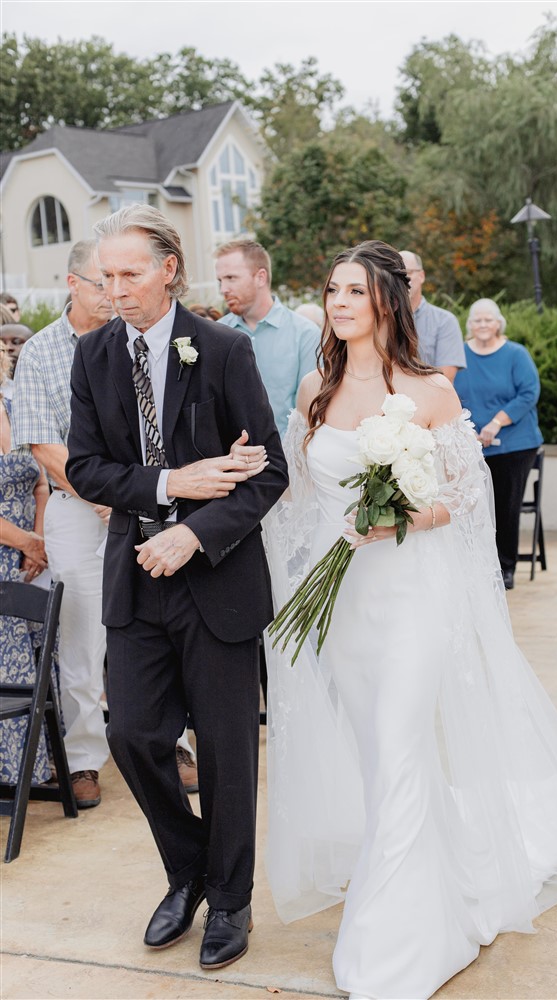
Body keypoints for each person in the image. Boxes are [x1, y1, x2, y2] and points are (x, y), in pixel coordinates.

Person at [263, 241, 557, 1000]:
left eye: (353, 290)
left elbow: (465, 499)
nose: (337, 302)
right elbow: (294, 496)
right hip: (342, 601)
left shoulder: (428, 392)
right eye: (330, 290)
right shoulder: (314, 388)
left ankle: (401, 940)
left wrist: (401, 516)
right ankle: (426, 876)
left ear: (387, 301)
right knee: (378, 756)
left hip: (411, 596)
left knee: (403, 743)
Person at [66, 205, 288, 970]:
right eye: (106, 277)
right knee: (131, 735)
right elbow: (86, 468)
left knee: (226, 752)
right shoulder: (91, 355)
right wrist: (170, 481)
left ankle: (230, 900)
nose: (116, 290)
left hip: (217, 581)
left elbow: (269, 473)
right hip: (134, 576)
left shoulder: (223, 350)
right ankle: (189, 869)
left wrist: (193, 528)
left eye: (130, 274)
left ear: (168, 269)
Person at [11, 241, 114, 809]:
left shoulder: (133, 337)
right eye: (103, 282)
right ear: (73, 284)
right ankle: (82, 758)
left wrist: (134, 497)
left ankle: (171, 743)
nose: (114, 293)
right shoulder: (42, 352)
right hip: (76, 509)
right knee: (78, 635)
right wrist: (104, 499)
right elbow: (44, 447)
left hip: (146, 503)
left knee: (157, 623)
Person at [454, 298, 543, 590]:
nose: (482, 325)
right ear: (470, 325)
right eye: (477, 320)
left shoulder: (516, 354)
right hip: (469, 443)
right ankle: (476, 564)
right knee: (468, 505)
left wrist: (496, 423)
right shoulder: (460, 357)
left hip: (514, 445)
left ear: (498, 323)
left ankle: (505, 567)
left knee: (505, 505)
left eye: (488, 320)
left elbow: (529, 393)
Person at [0, 342, 52, 786]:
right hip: (13, 546)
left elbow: (40, 480)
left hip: (30, 551)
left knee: (39, 654)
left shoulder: (14, 402)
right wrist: (24, 542)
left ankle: (36, 764)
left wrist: (38, 537)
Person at [214, 240, 319, 437]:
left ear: (260, 277)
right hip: (232, 462)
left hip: (289, 461)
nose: (223, 289)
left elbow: (311, 414)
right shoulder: (216, 334)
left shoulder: (305, 334)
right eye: (220, 281)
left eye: (231, 278)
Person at [399, 249, 466, 382]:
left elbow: (445, 379)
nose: (402, 279)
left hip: (428, 401)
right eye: (397, 274)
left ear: (422, 276)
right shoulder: (380, 319)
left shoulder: (445, 321)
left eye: (408, 273)